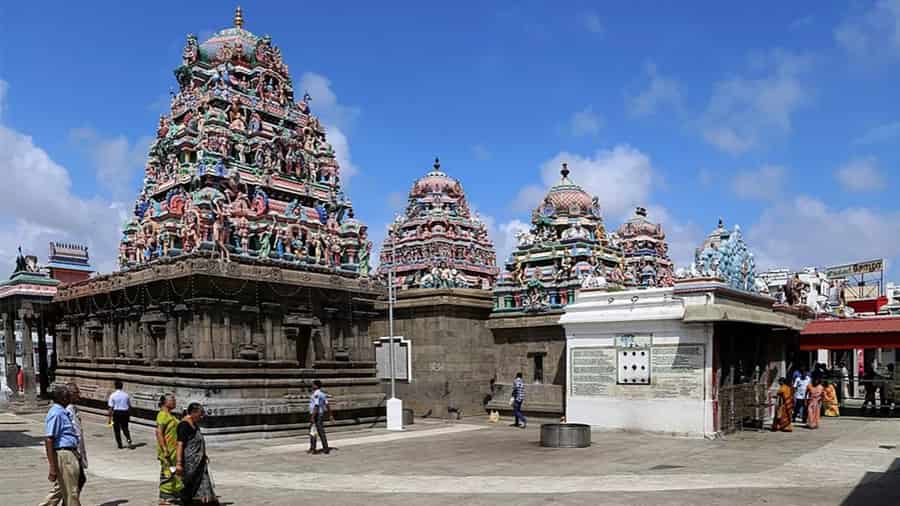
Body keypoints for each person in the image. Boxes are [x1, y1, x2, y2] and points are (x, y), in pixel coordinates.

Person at [39, 385, 82, 506]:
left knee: (68, 490)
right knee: (71, 493)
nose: (70, 397)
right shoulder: (56, 414)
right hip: (65, 455)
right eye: (68, 395)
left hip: (70, 453)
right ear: (62, 398)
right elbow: (49, 439)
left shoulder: (63, 412)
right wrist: (52, 467)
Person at [176, 402, 217, 505]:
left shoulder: (194, 424)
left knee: (204, 488)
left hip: (200, 463)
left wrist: (204, 454)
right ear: (193, 413)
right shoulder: (184, 425)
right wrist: (179, 463)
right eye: (201, 413)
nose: (202, 416)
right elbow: (180, 444)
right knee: (189, 489)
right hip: (190, 465)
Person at [156, 393, 183, 505]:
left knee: (175, 473)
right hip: (167, 451)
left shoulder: (170, 416)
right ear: (165, 402)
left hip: (174, 450)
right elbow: (158, 432)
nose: (175, 401)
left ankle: (173, 495)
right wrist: (164, 449)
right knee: (167, 473)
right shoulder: (162, 415)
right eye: (172, 400)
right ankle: (164, 498)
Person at [308, 380, 334, 455]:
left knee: (313, 431)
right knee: (320, 432)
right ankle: (325, 448)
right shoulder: (323, 394)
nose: (312, 386)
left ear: (316, 386)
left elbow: (316, 405)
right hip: (320, 414)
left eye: (313, 385)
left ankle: (313, 448)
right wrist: (330, 415)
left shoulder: (316, 394)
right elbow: (327, 405)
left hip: (316, 414)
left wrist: (312, 416)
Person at [107, 380, 133, 449]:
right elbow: (129, 406)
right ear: (122, 386)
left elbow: (110, 408)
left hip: (117, 413)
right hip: (125, 412)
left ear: (115, 386)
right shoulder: (126, 395)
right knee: (125, 428)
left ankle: (120, 444)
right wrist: (129, 414)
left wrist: (109, 418)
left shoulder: (112, 395)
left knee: (117, 429)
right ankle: (129, 440)